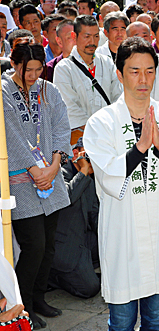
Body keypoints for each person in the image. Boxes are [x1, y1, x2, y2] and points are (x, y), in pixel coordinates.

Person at [84, 37, 159, 330]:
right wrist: (140, 148)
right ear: (119, 73)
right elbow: (109, 175)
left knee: (156, 319)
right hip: (123, 233)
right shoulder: (102, 123)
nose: (143, 79)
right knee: (122, 322)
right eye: (134, 71)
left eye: (149, 71)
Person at [3, 42, 72, 329]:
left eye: (38, 68)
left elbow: (61, 125)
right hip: (20, 180)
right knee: (33, 245)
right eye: (26, 69)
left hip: (50, 175)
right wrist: (34, 169)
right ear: (14, 64)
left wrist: (55, 164)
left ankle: (40, 297)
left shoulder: (48, 89)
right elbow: (10, 132)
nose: (33, 75)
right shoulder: (3, 89)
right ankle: (24, 305)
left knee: (48, 245)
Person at [53, 15, 122, 142]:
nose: (92, 42)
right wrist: (95, 130)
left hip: (110, 133)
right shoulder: (63, 68)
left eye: (96, 36)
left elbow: (118, 96)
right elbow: (69, 106)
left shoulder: (107, 62)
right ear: (74, 36)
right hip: (80, 137)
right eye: (87, 36)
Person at [48, 138, 100, 300]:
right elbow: (67, 198)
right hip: (62, 247)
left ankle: (81, 269)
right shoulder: (58, 171)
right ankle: (53, 277)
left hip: (82, 239)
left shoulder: (89, 178)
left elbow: (95, 215)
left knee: (113, 246)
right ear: (76, 154)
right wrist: (83, 170)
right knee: (90, 289)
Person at [125, 21, 159, 103]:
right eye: (136, 36)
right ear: (127, 39)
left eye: (145, 36)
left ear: (151, 38)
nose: (141, 40)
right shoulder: (123, 63)